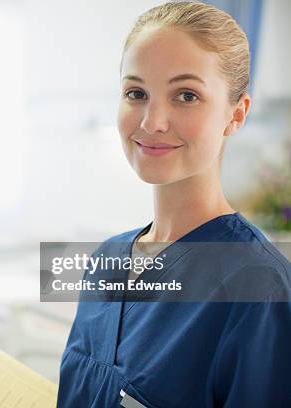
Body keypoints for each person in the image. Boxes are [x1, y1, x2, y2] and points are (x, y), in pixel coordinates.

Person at [56, 2, 291, 407]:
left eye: (186, 95)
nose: (152, 122)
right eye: (136, 93)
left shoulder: (258, 287)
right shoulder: (105, 260)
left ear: (236, 114)